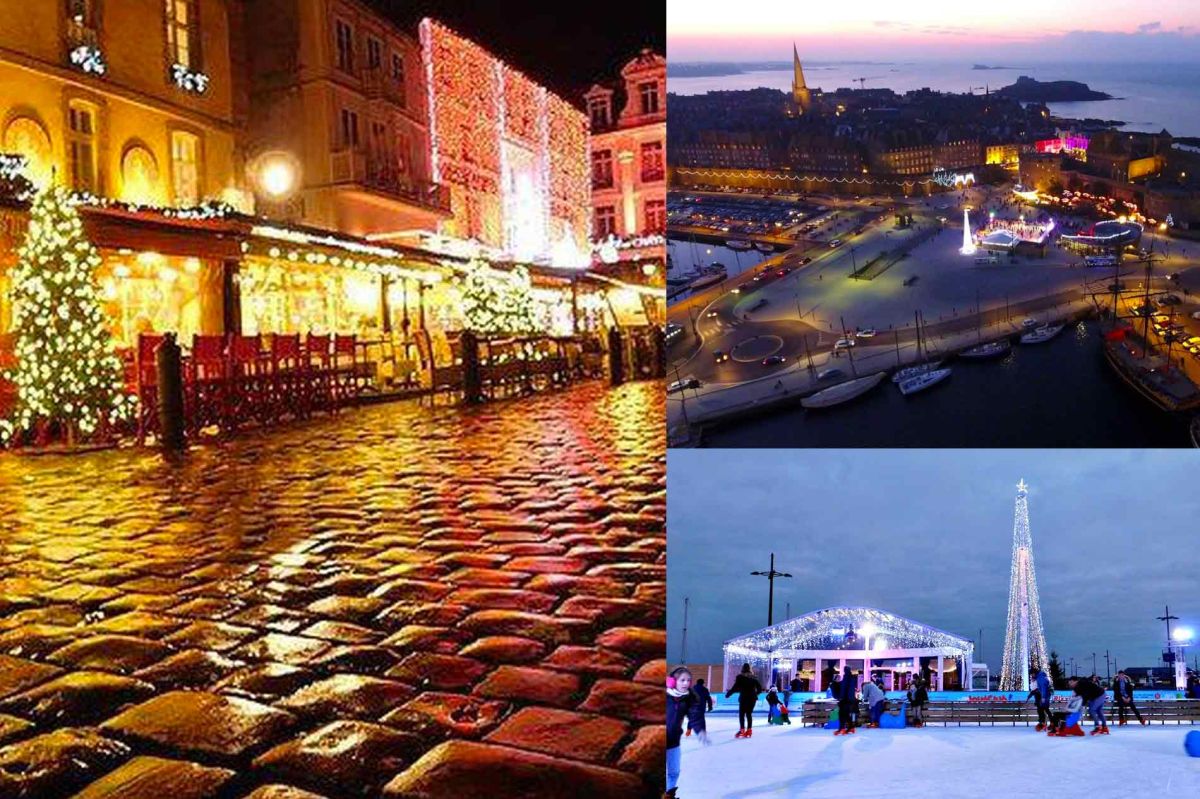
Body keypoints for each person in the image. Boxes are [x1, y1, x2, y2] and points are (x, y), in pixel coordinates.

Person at [666, 666, 709, 799]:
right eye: (682, 680)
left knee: (674, 772)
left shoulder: (688, 698)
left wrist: (700, 730)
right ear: (673, 681)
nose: (686, 683)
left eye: (688, 680)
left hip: (674, 742)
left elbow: (694, 716)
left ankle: (669, 795)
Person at [726, 663, 763, 739]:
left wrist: (729, 694)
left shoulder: (740, 677)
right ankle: (749, 730)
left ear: (742, 668)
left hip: (744, 697)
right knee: (749, 713)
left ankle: (742, 730)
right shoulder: (754, 677)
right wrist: (755, 694)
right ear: (750, 669)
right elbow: (760, 689)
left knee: (742, 714)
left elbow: (735, 687)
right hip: (752, 698)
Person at [835, 667, 859, 736]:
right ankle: (851, 728)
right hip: (851, 700)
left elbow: (844, 689)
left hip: (845, 699)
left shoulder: (846, 678)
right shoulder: (853, 678)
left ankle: (842, 729)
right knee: (846, 714)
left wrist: (841, 698)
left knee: (841, 714)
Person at [1027, 666, 1053, 731]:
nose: (1032, 676)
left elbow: (1043, 688)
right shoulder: (1039, 677)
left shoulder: (1041, 678)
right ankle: (1047, 723)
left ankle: (1047, 723)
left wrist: (1043, 697)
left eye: (1032, 674)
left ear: (1034, 673)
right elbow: (1040, 688)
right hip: (1044, 695)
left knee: (1043, 709)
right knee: (1044, 709)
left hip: (1045, 695)